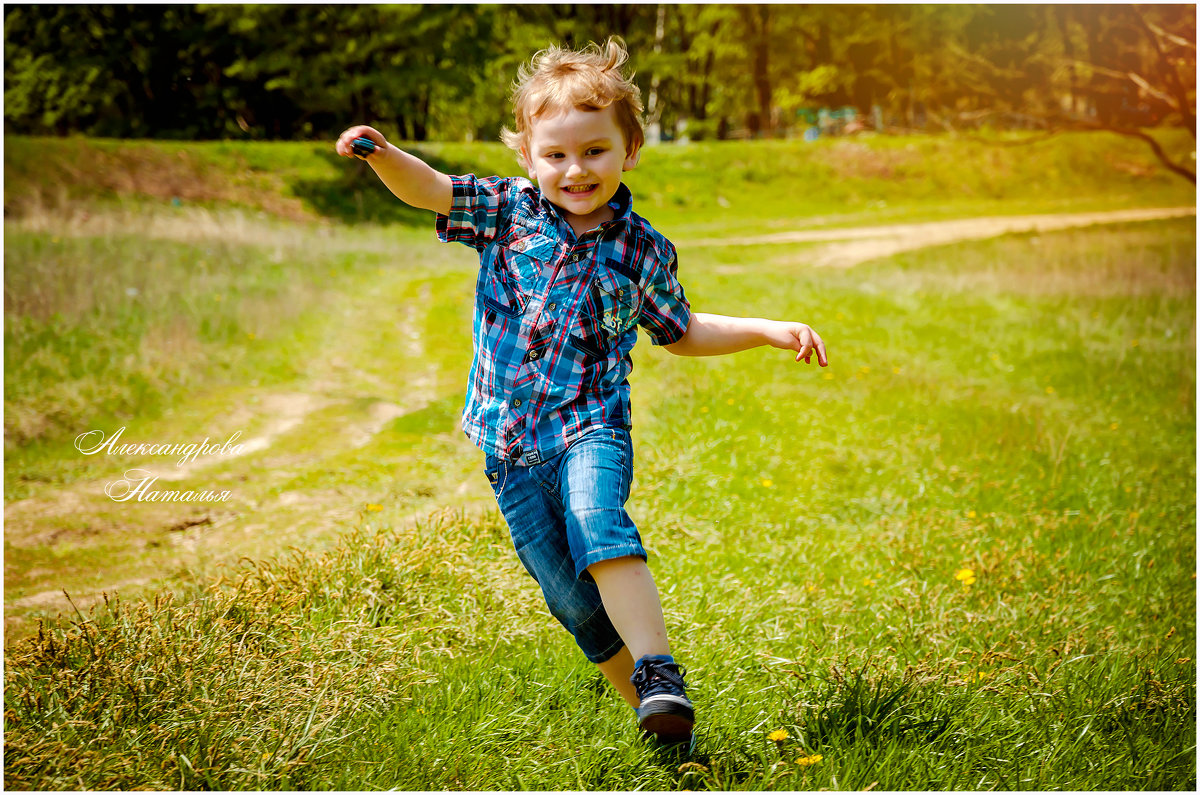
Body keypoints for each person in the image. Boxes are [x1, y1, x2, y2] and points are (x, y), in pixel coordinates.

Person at [336, 37, 828, 748]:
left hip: (591, 427)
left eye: (595, 151)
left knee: (600, 523)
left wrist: (767, 329)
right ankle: (661, 722)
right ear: (529, 158)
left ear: (629, 149)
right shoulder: (506, 214)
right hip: (508, 444)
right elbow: (432, 188)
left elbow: (680, 328)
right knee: (572, 601)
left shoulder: (642, 249)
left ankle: (660, 668)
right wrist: (381, 153)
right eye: (556, 155)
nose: (575, 170)